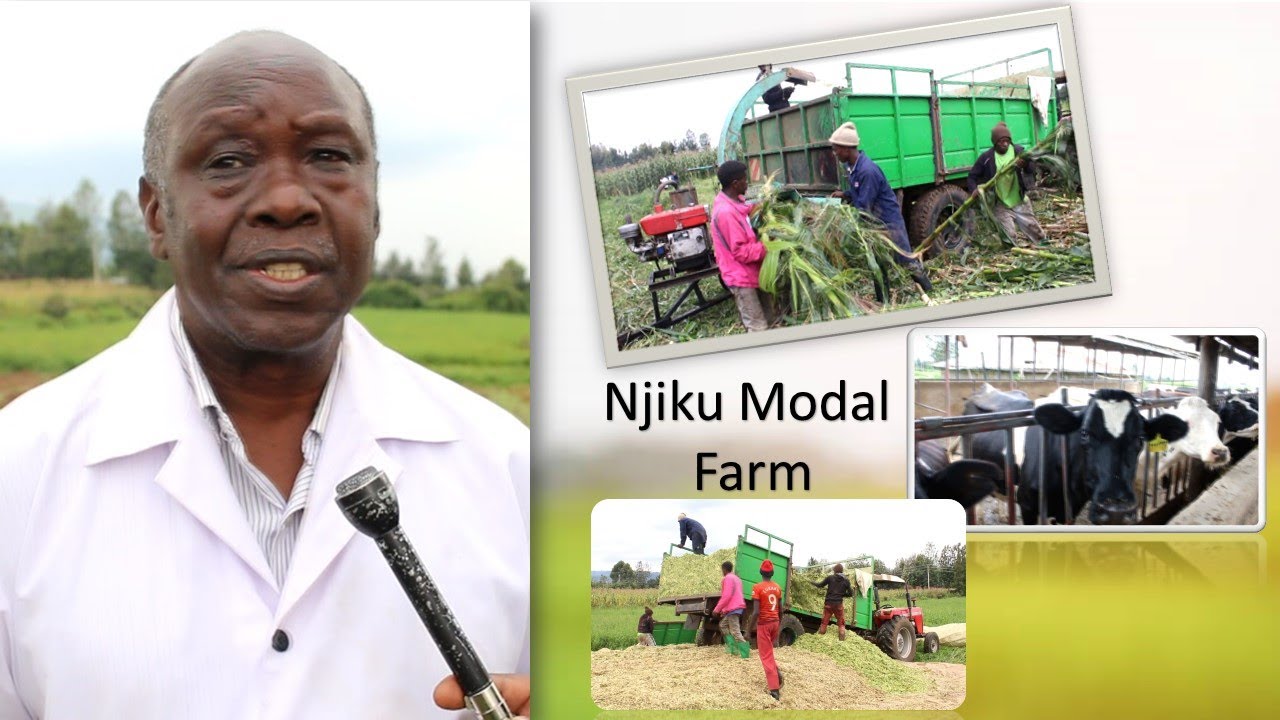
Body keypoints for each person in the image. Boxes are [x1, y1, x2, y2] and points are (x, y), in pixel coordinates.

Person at [0, 31, 530, 720]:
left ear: (375, 203)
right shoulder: (18, 474)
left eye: (329, 157)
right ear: (156, 214)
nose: (286, 200)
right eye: (228, 161)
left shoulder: (511, 472)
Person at [827, 121, 933, 296]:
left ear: (846, 148)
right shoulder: (852, 166)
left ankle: (929, 290)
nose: (835, 153)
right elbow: (860, 192)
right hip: (875, 223)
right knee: (876, 262)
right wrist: (845, 194)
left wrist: (845, 223)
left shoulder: (867, 171)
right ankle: (882, 299)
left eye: (836, 149)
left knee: (906, 259)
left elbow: (864, 206)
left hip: (888, 222)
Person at [709, 161, 771, 333]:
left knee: (770, 316)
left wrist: (763, 207)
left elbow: (745, 209)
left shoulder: (735, 201)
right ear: (735, 184)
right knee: (758, 327)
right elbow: (740, 252)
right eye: (744, 180)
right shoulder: (726, 213)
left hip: (751, 270)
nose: (747, 183)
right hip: (740, 276)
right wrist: (768, 247)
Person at [967, 121, 1045, 247]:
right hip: (1001, 204)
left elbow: (1031, 170)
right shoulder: (987, 158)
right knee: (1009, 238)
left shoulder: (1019, 152)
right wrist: (973, 190)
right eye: (1000, 141)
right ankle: (1014, 253)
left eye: (1007, 141)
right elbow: (972, 176)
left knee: (1036, 232)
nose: (1004, 144)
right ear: (994, 142)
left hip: (1019, 200)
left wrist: (1025, 165)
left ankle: (1044, 245)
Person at [751, 559, 785, 701]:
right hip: (775, 622)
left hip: (764, 624)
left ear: (761, 572)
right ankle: (776, 673)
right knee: (769, 651)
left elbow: (756, 612)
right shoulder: (777, 588)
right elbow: (781, 609)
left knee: (764, 655)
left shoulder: (757, 588)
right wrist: (778, 623)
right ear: (772, 573)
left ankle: (774, 690)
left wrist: (748, 629)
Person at [711, 561, 747, 650]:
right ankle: (732, 646)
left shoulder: (728, 578)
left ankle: (745, 651)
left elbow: (726, 596)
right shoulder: (737, 579)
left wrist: (717, 609)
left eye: (722, 570)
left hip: (734, 608)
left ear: (724, 569)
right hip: (736, 607)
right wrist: (724, 610)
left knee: (735, 631)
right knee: (722, 625)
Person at [813, 563, 854, 640]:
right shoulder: (846, 581)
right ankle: (841, 638)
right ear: (842, 571)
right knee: (841, 623)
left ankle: (820, 637)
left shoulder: (830, 578)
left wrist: (812, 582)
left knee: (824, 622)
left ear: (835, 571)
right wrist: (842, 594)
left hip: (828, 604)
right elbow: (851, 594)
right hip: (838, 604)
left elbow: (820, 585)